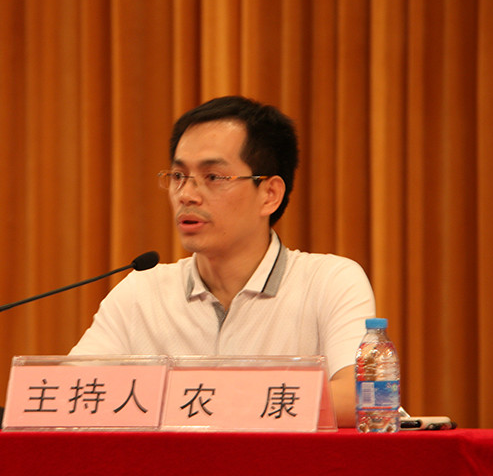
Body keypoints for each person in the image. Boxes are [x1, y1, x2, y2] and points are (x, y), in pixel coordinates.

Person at [70, 96, 375, 427]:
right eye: (178, 175)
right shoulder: (141, 292)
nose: (186, 194)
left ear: (269, 194)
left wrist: (208, 398)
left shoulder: (329, 282)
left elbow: (362, 395)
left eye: (213, 177)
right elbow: (70, 397)